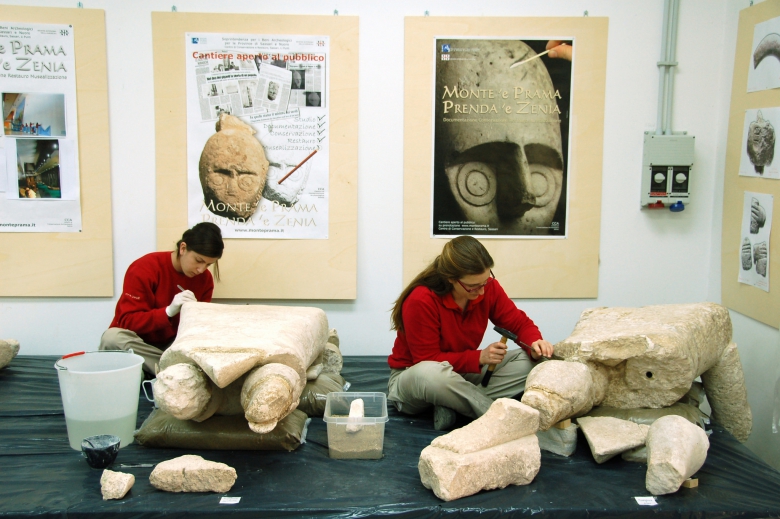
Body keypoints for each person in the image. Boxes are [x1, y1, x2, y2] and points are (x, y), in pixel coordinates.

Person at [387, 235, 553, 430]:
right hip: (415, 379)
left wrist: (534, 343)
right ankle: (503, 421)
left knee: (537, 362)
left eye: (485, 281)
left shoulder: (487, 287)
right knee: (431, 374)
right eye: (473, 287)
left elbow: (518, 323)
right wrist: (480, 357)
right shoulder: (421, 300)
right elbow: (427, 359)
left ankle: (452, 405)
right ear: (451, 279)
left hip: (460, 375)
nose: (481, 292)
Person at [99, 222, 224, 376]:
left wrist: (194, 314)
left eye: (209, 264)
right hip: (139, 343)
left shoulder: (205, 279)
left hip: (171, 346)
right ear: (183, 248)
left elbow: (198, 332)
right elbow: (127, 321)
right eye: (198, 261)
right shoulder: (144, 268)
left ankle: (160, 370)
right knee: (111, 338)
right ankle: (176, 371)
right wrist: (168, 312)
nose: (201, 269)